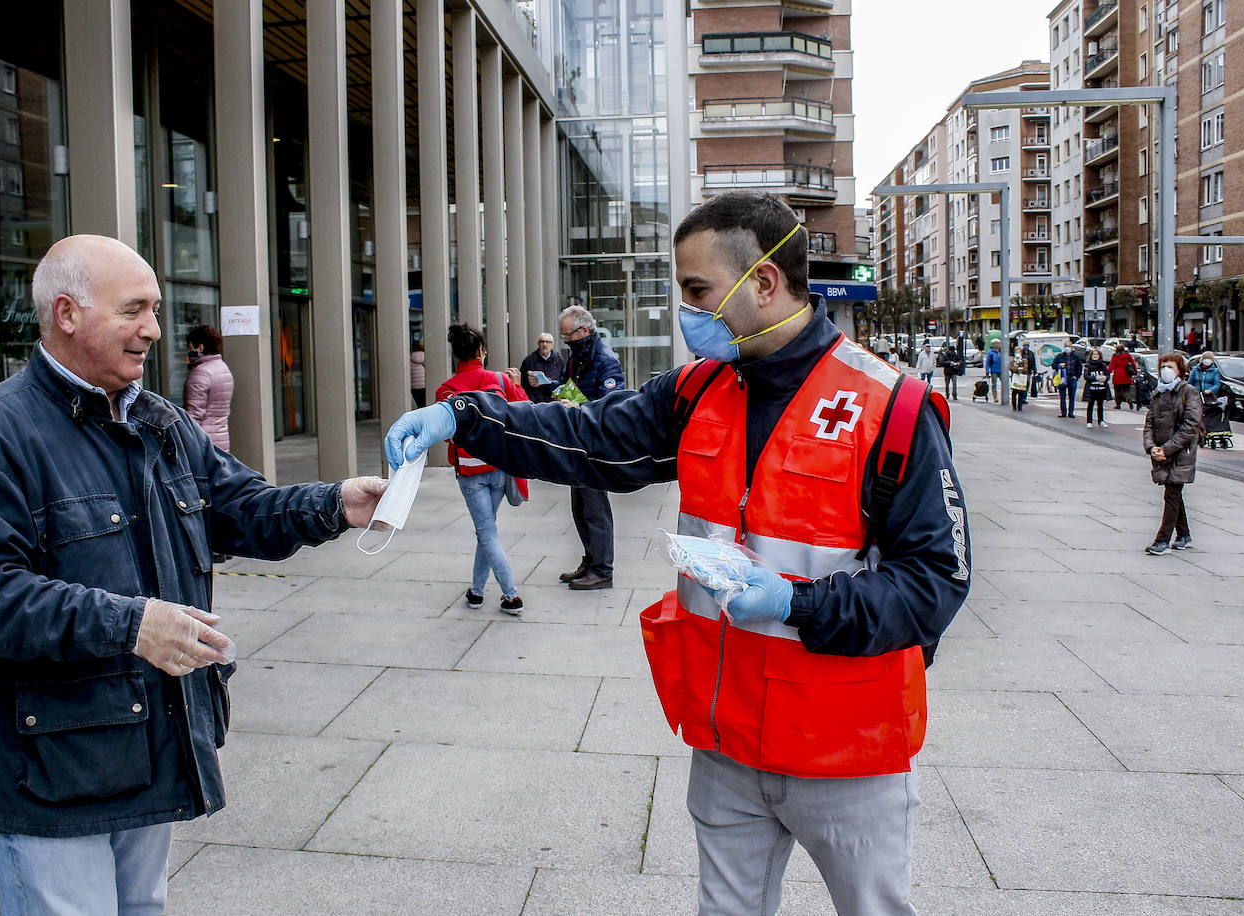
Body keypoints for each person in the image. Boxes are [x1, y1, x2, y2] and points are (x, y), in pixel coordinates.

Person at [384, 191, 971, 916]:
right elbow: (592, 436)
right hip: (726, 745)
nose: (688, 311)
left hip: (847, 752)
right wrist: (464, 415)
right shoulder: (699, 391)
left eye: (698, 291)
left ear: (763, 282)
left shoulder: (894, 407)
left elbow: (934, 584)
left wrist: (799, 604)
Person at [0, 234, 386, 915]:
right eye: (135, 309)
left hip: (146, 746)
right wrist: (133, 624)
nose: (153, 331)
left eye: (157, 309)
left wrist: (337, 504)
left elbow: (240, 508)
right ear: (68, 314)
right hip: (47, 771)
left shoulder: (159, 421)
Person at [438, 323, 528, 615]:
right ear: (480, 351)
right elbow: (526, 410)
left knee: (486, 532)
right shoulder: (500, 381)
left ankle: (511, 596)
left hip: (469, 471)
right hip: (499, 467)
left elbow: (444, 432)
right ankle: (476, 591)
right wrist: (516, 383)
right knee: (486, 532)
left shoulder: (446, 391)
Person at [557, 304, 624, 590]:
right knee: (580, 507)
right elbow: (569, 384)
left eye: (568, 336)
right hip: (577, 442)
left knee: (595, 509)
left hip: (595, 446)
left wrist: (579, 406)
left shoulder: (605, 360)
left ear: (584, 330)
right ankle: (590, 561)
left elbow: (613, 405)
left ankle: (602, 570)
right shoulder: (578, 358)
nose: (566, 342)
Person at [1143, 351, 1203, 555]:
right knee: (1174, 495)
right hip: (1161, 452)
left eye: (1170, 366)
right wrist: (1152, 448)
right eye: (1163, 366)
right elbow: (1149, 423)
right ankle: (1184, 534)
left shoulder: (1189, 392)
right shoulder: (1158, 393)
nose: (1165, 370)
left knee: (1172, 493)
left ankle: (1162, 540)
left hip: (1180, 453)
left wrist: (1166, 449)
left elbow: (1190, 425)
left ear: (1180, 370)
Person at [184, 324, 234, 451]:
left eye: (190, 347)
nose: (188, 353)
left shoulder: (200, 373)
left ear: (200, 347)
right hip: (221, 439)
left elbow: (194, 416)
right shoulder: (222, 367)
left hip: (203, 444)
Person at [519, 331, 567, 404]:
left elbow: (564, 380)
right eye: (542, 342)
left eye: (548, 342)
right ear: (538, 344)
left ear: (552, 345)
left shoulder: (558, 359)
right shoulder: (529, 360)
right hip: (536, 402)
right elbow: (523, 382)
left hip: (554, 401)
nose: (545, 344)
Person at [1051, 345, 1083, 418]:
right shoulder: (1060, 356)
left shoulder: (1075, 357)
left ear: (1072, 348)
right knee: (1062, 396)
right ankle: (1063, 412)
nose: (1067, 348)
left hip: (1072, 378)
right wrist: (1059, 365)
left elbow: (1079, 367)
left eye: (1069, 346)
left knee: (1072, 396)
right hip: (1063, 378)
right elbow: (1053, 365)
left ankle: (1071, 412)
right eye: (1066, 346)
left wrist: (1076, 376)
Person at [1082, 348, 1111, 428]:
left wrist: (1105, 378)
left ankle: (1101, 421)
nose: (1095, 356)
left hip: (1101, 388)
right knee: (1090, 405)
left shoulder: (1103, 365)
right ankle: (1089, 421)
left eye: (1097, 355)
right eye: (1094, 354)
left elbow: (1108, 375)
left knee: (1100, 405)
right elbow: (1086, 376)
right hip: (1091, 389)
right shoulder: (1088, 366)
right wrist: (1095, 378)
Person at [1110, 345, 1138, 410]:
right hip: (1127, 375)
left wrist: (1107, 373)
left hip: (1117, 375)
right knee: (1126, 390)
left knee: (1117, 391)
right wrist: (1135, 372)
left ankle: (1118, 404)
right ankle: (1129, 399)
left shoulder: (1115, 356)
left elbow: (1111, 366)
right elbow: (1133, 364)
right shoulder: (1128, 356)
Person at [1010, 347, 1030, 411]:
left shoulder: (1024, 360)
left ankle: (1020, 406)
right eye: (1016, 352)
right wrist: (1018, 369)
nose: (1017, 353)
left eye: (1018, 352)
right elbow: (1011, 368)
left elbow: (1026, 369)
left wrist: (1019, 370)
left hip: (1022, 378)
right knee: (1014, 392)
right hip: (1015, 378)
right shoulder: (1012, 361)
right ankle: (1014, 406)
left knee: (1021, 392)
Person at [983, 339, 1002, 403]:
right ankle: (995, 397)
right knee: (994, 384)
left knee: (1004, 383)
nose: (1000, 345)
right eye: (998, 343)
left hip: (1001, 370)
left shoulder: (1001, 352)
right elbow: (988, 362)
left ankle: (1004, 396)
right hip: (994, 370)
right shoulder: (991, 352)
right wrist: (987, 371)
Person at [410, 342, 427, 407]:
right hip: (424, 384)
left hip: (414, 386)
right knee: (425, 403)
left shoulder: (409, 357)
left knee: (419, 403)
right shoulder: (426, 356)